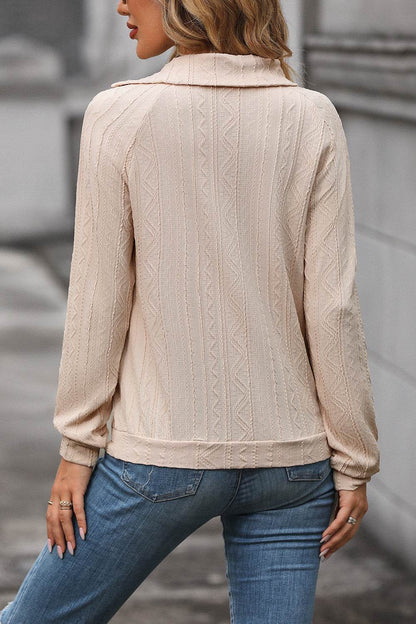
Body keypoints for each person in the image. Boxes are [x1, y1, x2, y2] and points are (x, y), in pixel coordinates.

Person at [0, 0, 380, 622]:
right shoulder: (312, 116)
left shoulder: (120, 115)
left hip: (160, 456)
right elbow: (333, 307)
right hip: (293, 464)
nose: (122, 3)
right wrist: (353, 463)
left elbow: (99, 298)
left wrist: (77, 448)